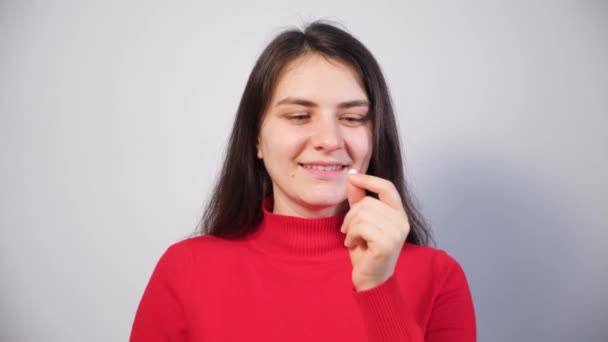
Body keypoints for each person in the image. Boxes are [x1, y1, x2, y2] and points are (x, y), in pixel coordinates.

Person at [130, 21, 476, 342]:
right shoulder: (185, 270)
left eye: (352, 118)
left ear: (375, 137)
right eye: (299, 116)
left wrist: (378, 288)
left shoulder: (438, 276)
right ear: (256, 139)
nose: (329, 139)